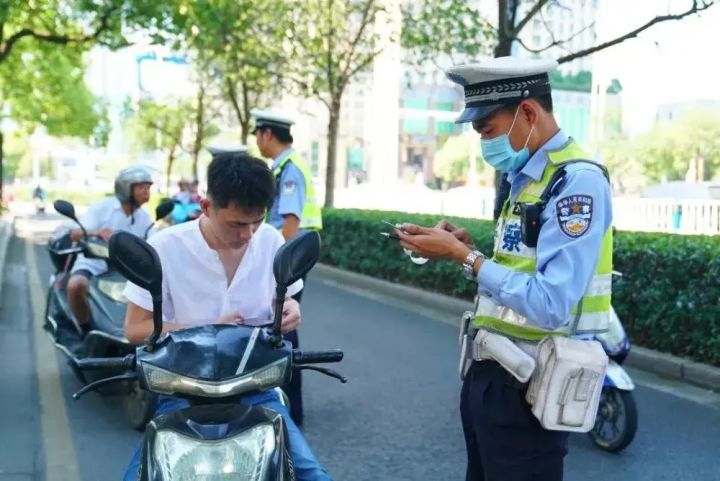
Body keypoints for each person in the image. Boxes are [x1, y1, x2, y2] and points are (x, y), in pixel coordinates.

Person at [396, 57, 613, 481]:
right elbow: (519, 272)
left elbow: (551, 303)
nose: (484, 145)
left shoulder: (576, 183)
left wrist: (467, 259)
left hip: (532, 387)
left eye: (488, 130)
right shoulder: (525, 178)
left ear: (528, 113)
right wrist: (468, 250)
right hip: (494, 376)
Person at [121, 149, 332, 481]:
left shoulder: (270, 240)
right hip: (184, 391)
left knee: (313, 475)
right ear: (207, 207)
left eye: (257, 221)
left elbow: (286, 301)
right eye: (236, 223)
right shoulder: (164, 248)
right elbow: (135, 328)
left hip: (256, 388)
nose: (248, 235)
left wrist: (290, 309)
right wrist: (207, 328)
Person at [252, 109, 323, 427]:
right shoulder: (282, 167)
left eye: (257, 134)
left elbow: (290, 224)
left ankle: (292, 413)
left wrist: (271, 261)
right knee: (279, 327)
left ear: (267, 135)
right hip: (290, 255)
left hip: (289, 258)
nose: (256, 140)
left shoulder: (289, 170)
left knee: (283, 328)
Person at [66, 166, 153, 335]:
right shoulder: (101, 208)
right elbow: (74, 234)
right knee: (75, 285)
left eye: (148, 188)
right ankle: (84, 329)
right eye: (142, 187)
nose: (146, 192)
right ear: (126, 188)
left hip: (126, 269)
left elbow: (154, 242)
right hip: (94, 263)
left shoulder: (144, 217)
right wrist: (96, 232)